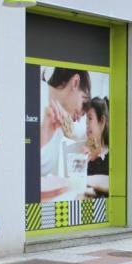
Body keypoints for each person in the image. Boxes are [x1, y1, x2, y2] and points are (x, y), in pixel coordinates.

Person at [40, 68, 91, 199]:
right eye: (84, 103)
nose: (80, 117)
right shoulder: (34, 97)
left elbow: (81, 134)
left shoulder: (60, 119)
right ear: (75, 82)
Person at [84, 97, 110, 198]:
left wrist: (81, 180)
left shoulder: (111, 153)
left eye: (90, 118)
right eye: (86, 120)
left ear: (102, 121)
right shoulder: (91, 154)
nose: (86, 124)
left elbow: (112, 183)